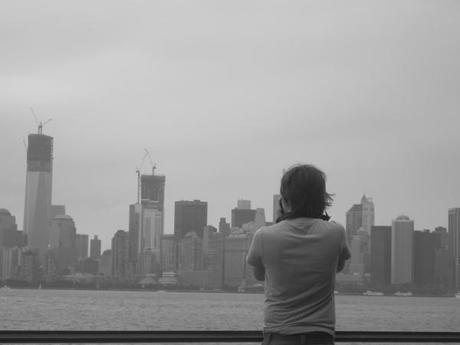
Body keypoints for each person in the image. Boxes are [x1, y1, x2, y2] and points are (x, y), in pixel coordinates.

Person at [247, 164, 351, 345]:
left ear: (284, 200)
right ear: (322, 199)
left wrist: (282, 218)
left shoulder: (264, 236)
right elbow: (337, 267)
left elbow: (259, 275)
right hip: (320, 337)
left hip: (279, 336)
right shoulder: (336, 233)